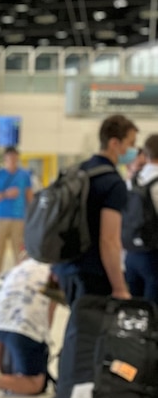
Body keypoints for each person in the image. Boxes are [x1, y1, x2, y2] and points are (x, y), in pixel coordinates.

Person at [53, 114, 137, 305]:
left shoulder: (78, 171)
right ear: (115, 143)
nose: (132, 149)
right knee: (91, 331)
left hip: (66, 268)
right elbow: (109, 241)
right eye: (130, 143)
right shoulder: (113, 183)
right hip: (93, 274)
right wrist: (119, 287)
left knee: (77, 327)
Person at [0, 256, 57, 398]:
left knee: (4, 361)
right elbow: (49, 314)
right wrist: (42, 340)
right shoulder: (54, 273)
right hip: (24, 327)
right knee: (36, 383)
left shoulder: (24, 265)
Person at [0, 146, 34, 275]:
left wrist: (32, 217)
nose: (12, 160)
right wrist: (5, 194)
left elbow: (30, 197)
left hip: (19, 218)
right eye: (9, 158)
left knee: (19, 253)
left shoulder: (24, 175)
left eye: (14, 157)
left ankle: (19, 280)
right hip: (1, 218)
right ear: (5, 159)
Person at [124, 134, 158, 301]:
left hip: (131, 255)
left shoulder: (132, 180)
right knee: (154, 315)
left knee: (135, 314)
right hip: (154, 256)